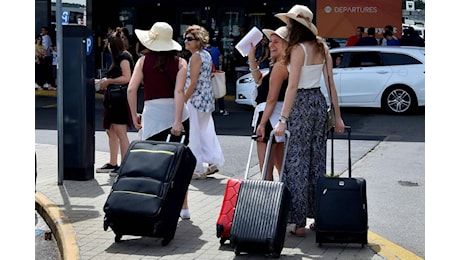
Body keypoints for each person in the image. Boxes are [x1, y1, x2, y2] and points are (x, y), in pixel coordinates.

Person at [273, 4, 345, 236]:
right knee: (317, 163)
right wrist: (338, 117)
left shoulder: (298, 49)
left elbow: (292, 86)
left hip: (301, 104)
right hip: (318, 103)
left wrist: (283, 118)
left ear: (296, 26)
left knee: (296, 162)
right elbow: (331, 84)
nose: (288, 26)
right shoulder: (322, 47)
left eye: (290, 23)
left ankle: (298, 222)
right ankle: (319, 216)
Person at [127, 21, 192, 219]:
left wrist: (134, 116)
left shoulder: (142, 61)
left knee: (151, 164)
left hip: (152, 115)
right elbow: (179, 91)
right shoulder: (180, 62)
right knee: (179, 163)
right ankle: (184, 208)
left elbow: (131, 89)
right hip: (177, 114)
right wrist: (178, 120)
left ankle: (152, 204)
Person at [182, 24, 225, 180]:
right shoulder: (206, 54)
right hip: (206, 99)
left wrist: (183, 100)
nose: (186, 41)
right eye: (185, 38)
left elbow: (193, 82)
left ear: (198, 40)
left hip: (196, 99)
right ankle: (213, 162)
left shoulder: (195, 57)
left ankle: (197, 168)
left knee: (194, 134)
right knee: (206, 131)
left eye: (189, 39)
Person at [248, 26, 289, 181]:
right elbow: (259, 79)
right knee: (281, 168)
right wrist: (251, 58)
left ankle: (270, 203)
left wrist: (262, 124)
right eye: (270, 41)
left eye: (276, 42)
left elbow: (271, 98)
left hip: (269, 116)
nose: (271, 45)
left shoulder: (280, 66)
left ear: (286, 45)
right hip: (277, 117)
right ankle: (283, 202)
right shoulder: (281, 65)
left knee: (266, 171)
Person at [96, 28, 135, 176]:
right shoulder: (119, 57)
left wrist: (109, 81)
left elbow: (127, 77)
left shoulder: (123, 57)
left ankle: (124, 165)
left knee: (120, 132)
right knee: (111, 131)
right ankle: (113, 163)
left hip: (120, 99)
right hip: (113, 99)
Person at [205, 39, 229, 116]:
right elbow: (220, 60)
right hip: (215, 72)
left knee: (207, 91)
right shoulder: (216, 50)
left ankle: (208, 109)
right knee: (218, 89)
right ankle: (222, 109)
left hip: (205, 73)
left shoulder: (201, 51)